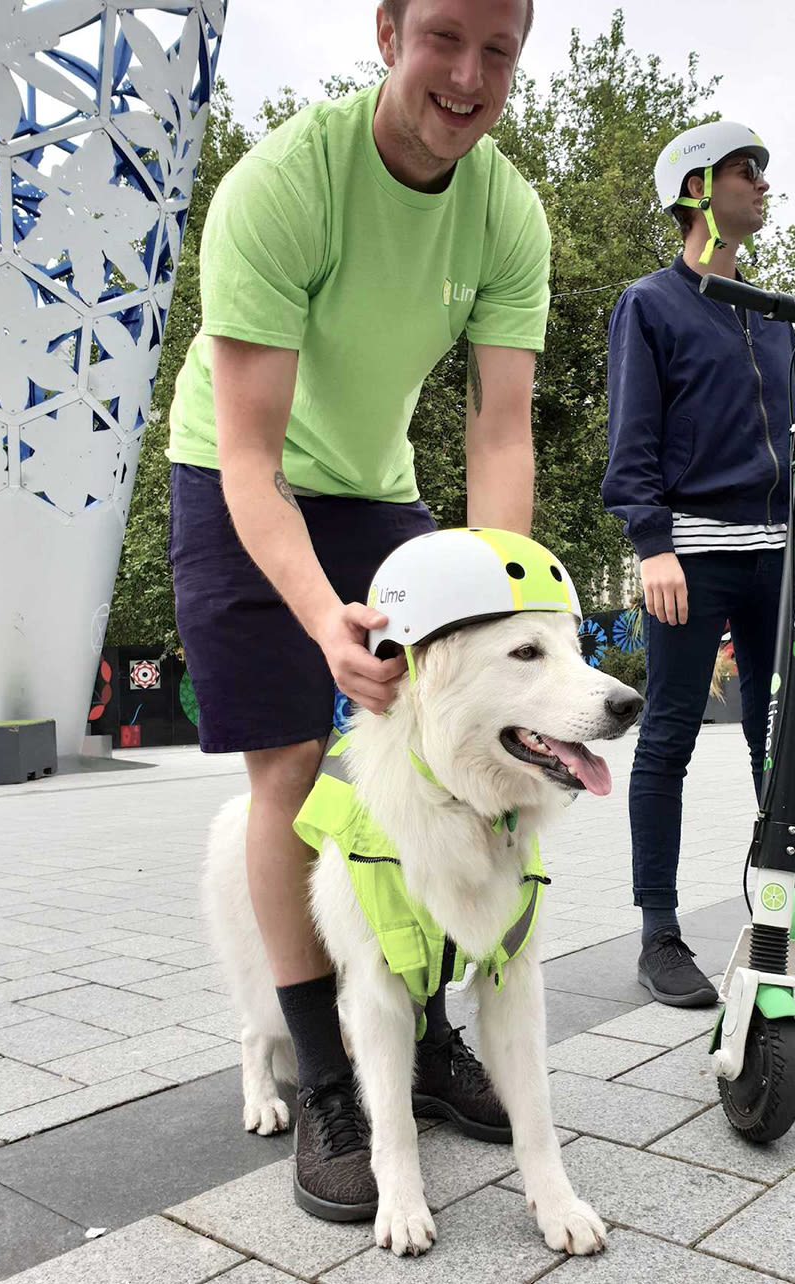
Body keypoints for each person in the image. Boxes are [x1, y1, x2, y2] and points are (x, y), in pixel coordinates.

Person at [166, 0, 546, 1221]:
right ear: (386, 30)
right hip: (240, 481)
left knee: (429, 763)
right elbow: (252, 456)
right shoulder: (283, 187)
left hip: (381, 487)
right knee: (292, 767)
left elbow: (498, 429)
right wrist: (325, 618)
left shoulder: (509, 214)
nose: (469, 76)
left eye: (500, 51)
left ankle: (425, 1040)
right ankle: (326, 1077)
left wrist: (498, 614)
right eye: (445, 37)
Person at [601, 120, 795, 1008]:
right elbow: (634, 440)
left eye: (766, 171)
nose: (765, 184)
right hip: (690, 556)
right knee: (669, 739)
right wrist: (652, 544)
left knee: (782, 742)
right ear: (697, 188)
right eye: (748, 169)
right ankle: (659, 933)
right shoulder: (650, 303)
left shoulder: (775, 318)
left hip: (779, 555)